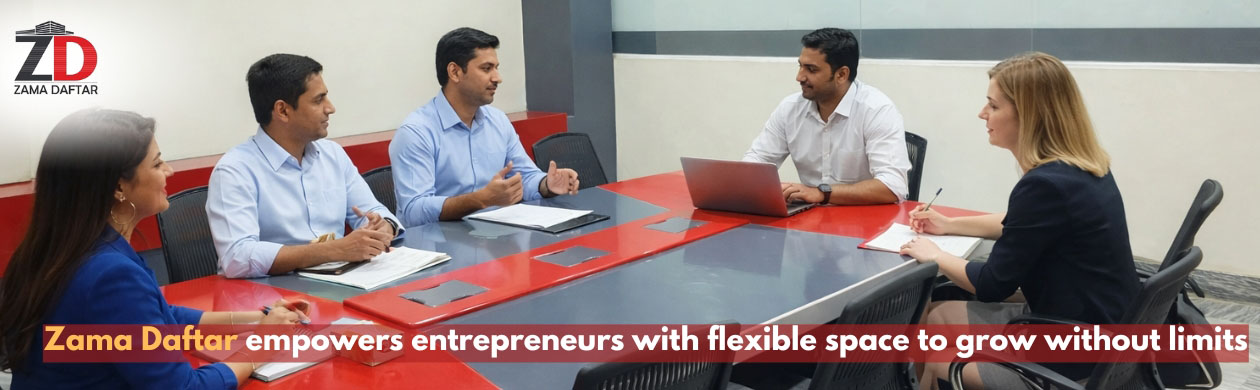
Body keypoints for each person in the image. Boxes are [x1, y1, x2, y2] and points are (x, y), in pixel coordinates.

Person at [0, 109, 307, 389]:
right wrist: (263, 344)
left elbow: (159, 315)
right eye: (158, 163)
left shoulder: (49, 253)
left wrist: (255, 319)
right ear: (119, 187)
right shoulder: (110, 274)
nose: (170, 171)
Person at [899, 52, 1140, 389]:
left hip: (1073, 350)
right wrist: (948, 224)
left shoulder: (1044, 185)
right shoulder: (1083, 167)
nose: (982, 114)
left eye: (993, 106)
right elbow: (1020, 223)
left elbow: (992, 285)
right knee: (936, 317)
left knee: (937, 357)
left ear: (1029, 115)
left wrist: (934, 254)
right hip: (1104, 332)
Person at [208, 54, 403, 278]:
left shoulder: (332, 154)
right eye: (318, 100)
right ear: (282, 110)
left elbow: (374, 211)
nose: (330, 108)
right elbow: (237, 257)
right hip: (272, 299)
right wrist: (332, 250)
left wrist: (383, 227)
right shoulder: (235, 171)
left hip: (341, 281)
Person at [390, 27, 580, 226]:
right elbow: (414, 210)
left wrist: (546, 185)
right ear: (455, 72)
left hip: (496, 238)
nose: (498, 78)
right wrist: (481, 199)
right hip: (440, 245)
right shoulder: (416, 133)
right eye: (486, 68)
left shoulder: (497, 120)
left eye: (496, 68)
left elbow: (524, 177)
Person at [743, 28, 910, 205]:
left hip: (866, 221)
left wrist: (823, 193)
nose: (799, 77)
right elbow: (757, 161)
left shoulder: (877, 110)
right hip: (810, 218)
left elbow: (893, 186)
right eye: (800, 66)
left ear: (841, 75)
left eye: (811, 69)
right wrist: (748, 180)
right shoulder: (790, 109)